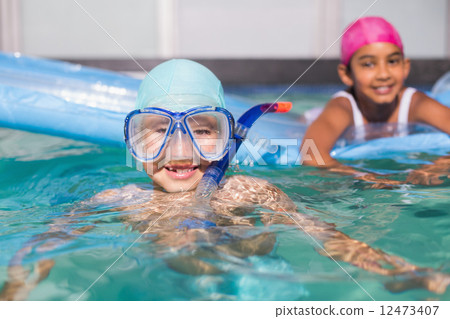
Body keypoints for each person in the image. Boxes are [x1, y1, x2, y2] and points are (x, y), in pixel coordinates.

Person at [1, 59, 449, 300]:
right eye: (157, 131)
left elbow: (324, 234)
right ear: (132, 144)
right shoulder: (119, 198)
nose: (180, 150)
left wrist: (397, 269)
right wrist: (21, 278)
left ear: (228, 140)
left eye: (202, 130)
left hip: (259, 282)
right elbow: (51, 237)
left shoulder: (250, 190)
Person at [301, 16, 450, 185]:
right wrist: (365, 178)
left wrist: (437, 166)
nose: (383, 74)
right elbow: (311, 154)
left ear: (405, 66)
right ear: (347, 74)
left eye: (392, 61)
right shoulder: (344, 107)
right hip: (316, 119)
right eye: (369, 64)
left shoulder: (415, 104)